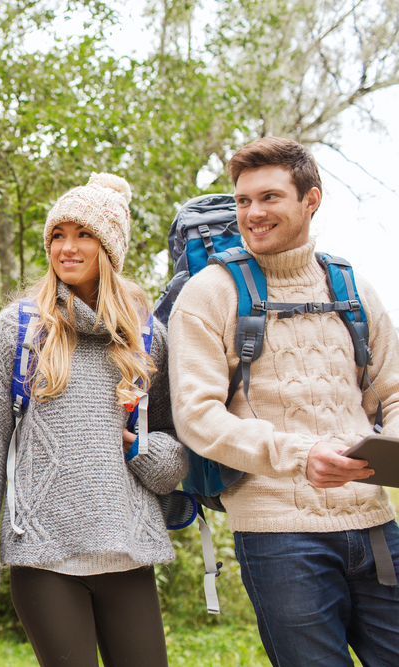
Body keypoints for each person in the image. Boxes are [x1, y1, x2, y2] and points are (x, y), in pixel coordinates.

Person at [168, 137, 399, 666]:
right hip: (279, 535)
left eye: (269, 197)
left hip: (376, 526)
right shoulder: (210, 293)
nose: (252, 213)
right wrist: (300, 456)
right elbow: (198, 417)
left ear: (310, 200)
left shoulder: (354, 288)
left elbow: (393, 391)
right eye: (243, 200)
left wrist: (387, 452)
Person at [0, 173, 187, 667]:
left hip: (128, 550)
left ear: (110, 246)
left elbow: (171, 456)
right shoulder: (19, 329)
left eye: (83, 234)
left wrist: (143, 449)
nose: (67, 247)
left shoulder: (148, 336)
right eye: (58, 235)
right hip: (44, 556)